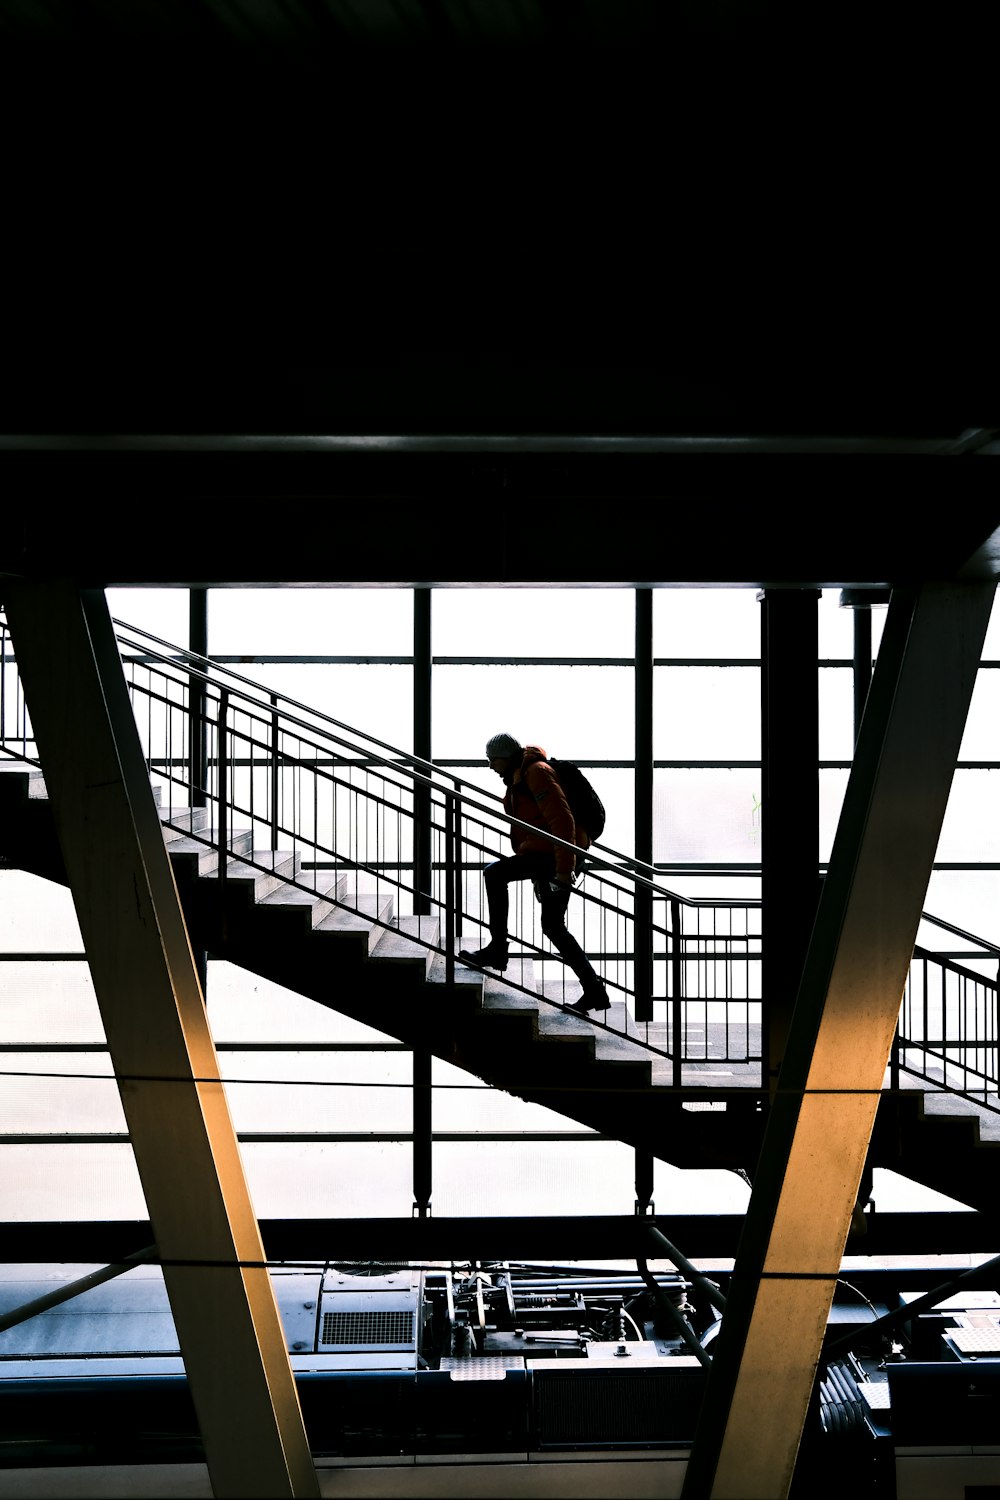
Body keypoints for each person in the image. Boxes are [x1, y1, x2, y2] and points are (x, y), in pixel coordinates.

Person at [459, 733, 611, 1013]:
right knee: (553, 926)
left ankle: (497, 949)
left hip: (554, 856)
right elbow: (536, 823)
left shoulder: (536, 773)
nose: (491, 766)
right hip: (544, 856)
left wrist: (564, 871)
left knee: (494, 875)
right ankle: (594, 992)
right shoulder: (520, 775)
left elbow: (562, 820)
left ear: (506, 757)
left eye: (493, 760)